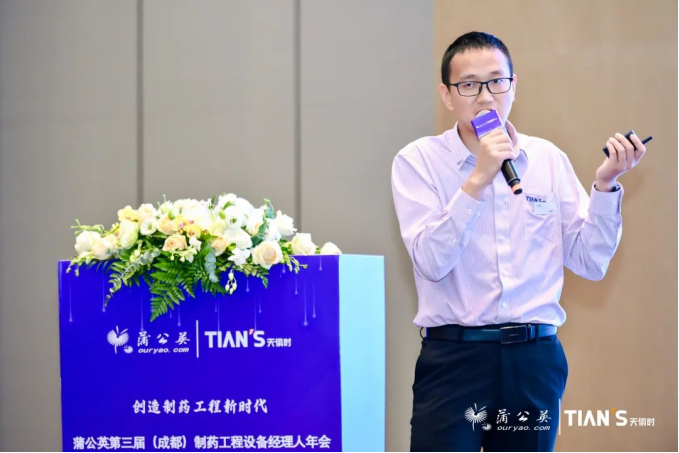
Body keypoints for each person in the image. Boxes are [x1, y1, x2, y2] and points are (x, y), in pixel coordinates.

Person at [391, 31, 648, 452]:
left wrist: (605, 186)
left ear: (514, 86)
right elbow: (431, 261)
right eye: (469, 84)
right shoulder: (418, 161)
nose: (485, 96)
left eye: (497, 81)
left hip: (533, 359)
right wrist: (478, 178)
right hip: (455, 359)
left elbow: (590, 262)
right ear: (447, 95)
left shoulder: (547, 159)